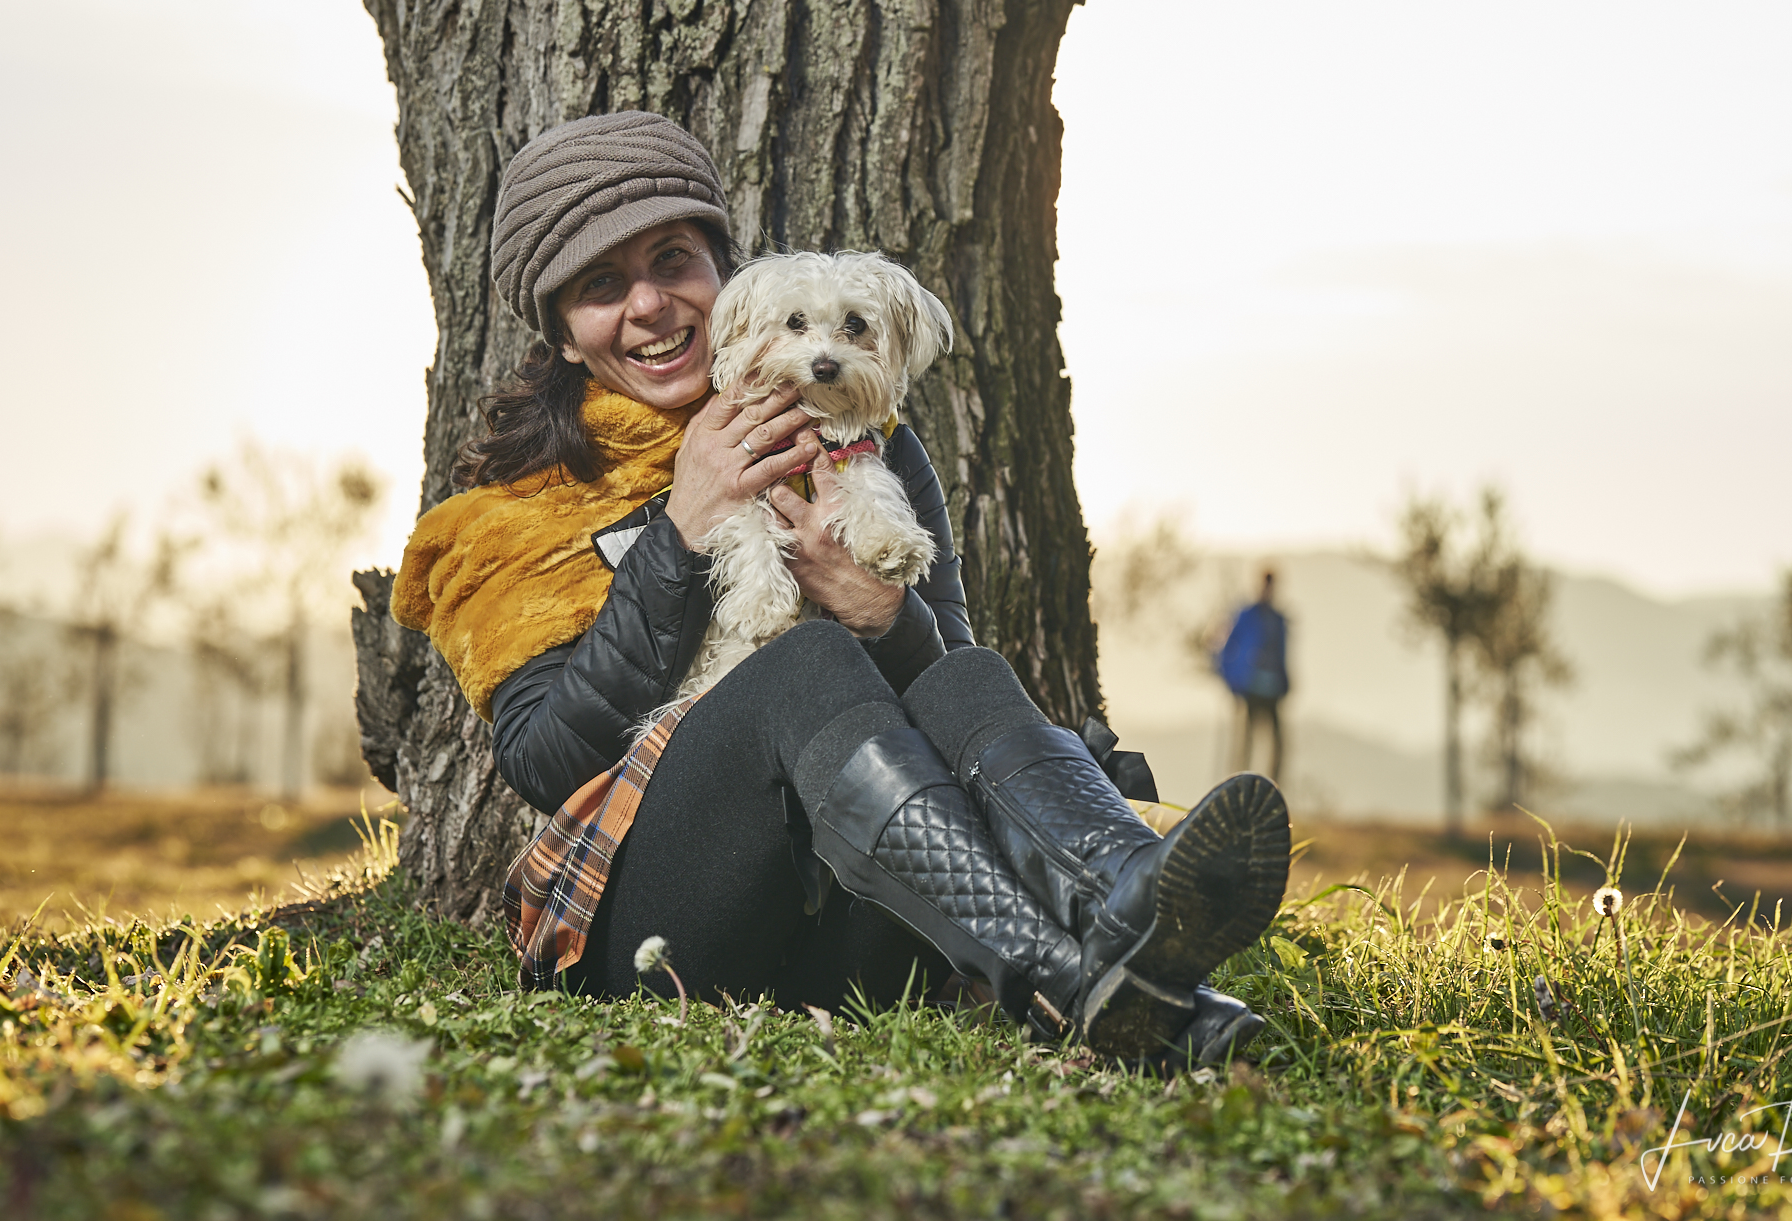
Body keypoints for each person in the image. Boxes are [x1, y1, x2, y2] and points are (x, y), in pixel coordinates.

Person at [391, 111, 1291, 1066]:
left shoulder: (864, 443)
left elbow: (944, 686)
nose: (649, 304)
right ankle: (1077, 981)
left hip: (855, 930)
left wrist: (883, 612)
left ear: (727, 277)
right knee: (806, 658)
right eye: (602, 285)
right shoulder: (511, 521)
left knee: (967, 670)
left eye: (673, 259)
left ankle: (1130, 896)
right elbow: (542, 760)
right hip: (663, 932)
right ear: (566, 336)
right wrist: (680, 532)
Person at [1219, 569, 1290, 782]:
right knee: (1245, 743)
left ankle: (1273, 787)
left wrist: (1286, 682)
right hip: (1250, 688)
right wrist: (1232, 680)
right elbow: (1227, 649)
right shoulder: (1246, 615)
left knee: (1278, 744)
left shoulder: (1277, 619)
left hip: (1272, 689)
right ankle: (1238, 784)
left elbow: (1283, 654)